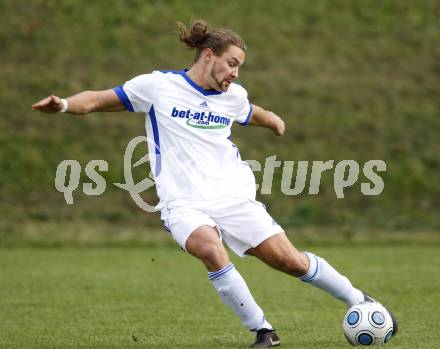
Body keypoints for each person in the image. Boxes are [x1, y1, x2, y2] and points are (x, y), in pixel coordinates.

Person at [32, 20, 397, 348]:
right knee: (209, 247)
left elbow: (251, 112)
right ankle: (264, 332)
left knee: (291, 261)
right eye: (232, 64)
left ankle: (358, 299)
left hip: (233, 197)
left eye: (240, 67)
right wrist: (63, 105)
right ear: (208, 56)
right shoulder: (159, 87)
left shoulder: (232, 98)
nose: (236, 74)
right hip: (183, 202)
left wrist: (274, 121)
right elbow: (97, 100)